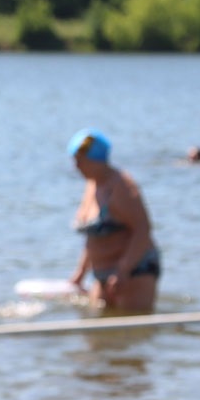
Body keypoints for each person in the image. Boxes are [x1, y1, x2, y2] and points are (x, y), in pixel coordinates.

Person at [65, 129, 159, 313]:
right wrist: (80, 274)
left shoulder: (122, 187)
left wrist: (123, 270)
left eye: (79, 160)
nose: (76, 167)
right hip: (102, 273)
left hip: (134, 271)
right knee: (98, 326)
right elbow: (92, 235)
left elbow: (142, 230)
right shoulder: (93, 184)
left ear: (95, 159)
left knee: (132, 325)